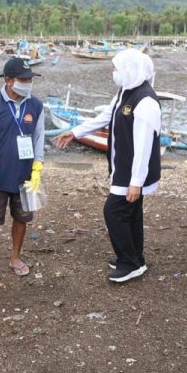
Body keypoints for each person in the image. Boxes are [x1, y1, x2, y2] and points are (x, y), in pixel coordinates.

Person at [54, 49, 161, 283]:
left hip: (133, 170)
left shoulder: (146, 102)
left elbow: (144, 148)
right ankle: (135, 258)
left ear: (130, 70)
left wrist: (136, 182)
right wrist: (75, 132)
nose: (114, 73)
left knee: (113, 211)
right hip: (123, 165)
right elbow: (105, 117)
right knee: (130, 212)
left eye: (117, 69)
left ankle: (129, 263)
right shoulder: (125, 91)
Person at [0, 58, 45, 277]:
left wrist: (37, 169)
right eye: (23, 79)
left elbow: (39, 138)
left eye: (30, 79)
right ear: (8, 80)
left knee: (22, 218)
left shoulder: (36, 105)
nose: (28, 83)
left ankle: (15, 256)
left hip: (25, 175)